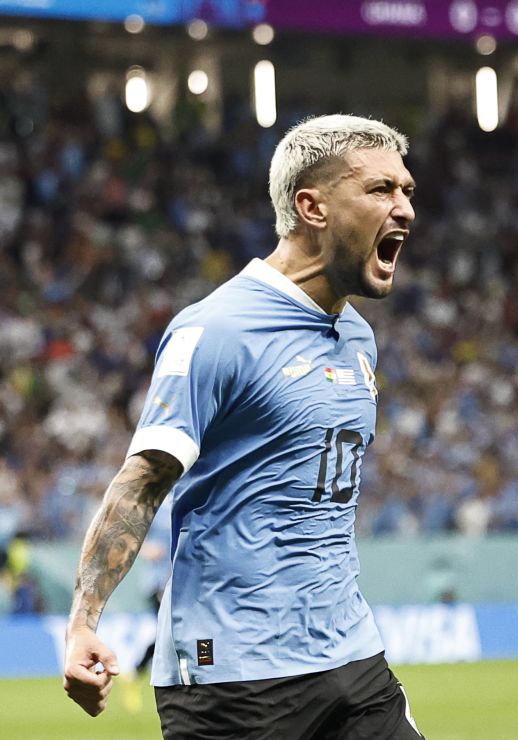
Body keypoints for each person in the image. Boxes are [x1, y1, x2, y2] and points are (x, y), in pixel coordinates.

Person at [63, 114, 423, 739]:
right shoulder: (217, 330)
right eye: (381, 190)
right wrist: (82, 621)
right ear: (312, 207)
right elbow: (142, 482)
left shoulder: (359, 336)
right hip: (238, 678)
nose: (405, 209)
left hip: (351, 656)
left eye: (407, 191)